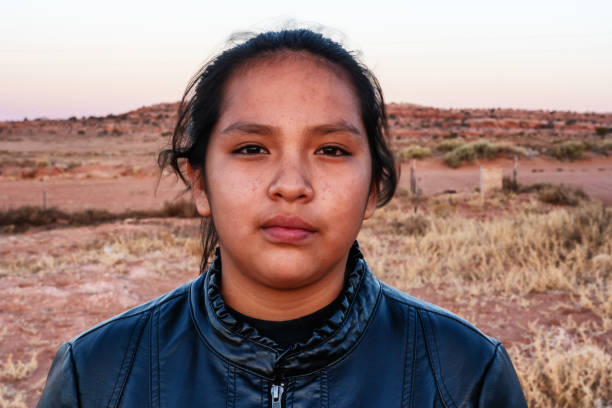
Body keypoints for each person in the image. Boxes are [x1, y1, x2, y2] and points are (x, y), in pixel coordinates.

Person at [38, 28, 527, 407]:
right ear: (200, 182)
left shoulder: (466, 373)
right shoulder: (98, 374)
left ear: (374, 188)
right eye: (251, 148)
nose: (292, 184)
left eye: (331, 149)